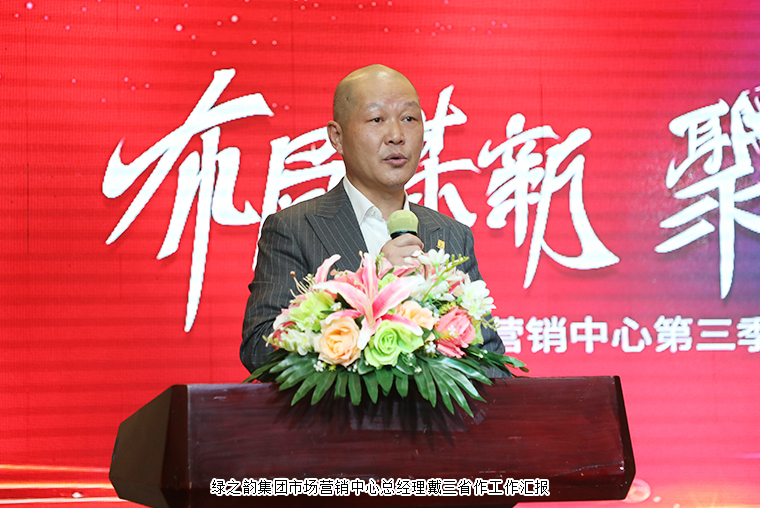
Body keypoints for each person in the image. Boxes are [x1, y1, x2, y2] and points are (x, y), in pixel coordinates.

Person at [241, 64, 504, 372]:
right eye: (377, 119)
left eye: (409, 119)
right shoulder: (294, 229)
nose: (396, 136)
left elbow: (493, 363)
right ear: (337, 137)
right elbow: (260, 349)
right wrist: (376, 285)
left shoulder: (452, 234)